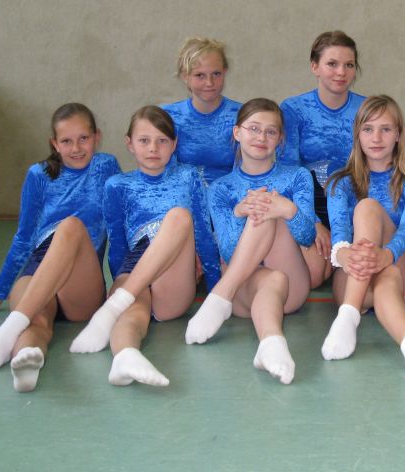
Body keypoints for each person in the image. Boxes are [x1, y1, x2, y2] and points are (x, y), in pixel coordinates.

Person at [69, 106, 221, 387]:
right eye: (144, 140)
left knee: (179, 217)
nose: (153, 148)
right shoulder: (117, 185)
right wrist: (119, 280)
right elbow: (117, 244)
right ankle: (125, 356)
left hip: (173, 277)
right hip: (135, 266)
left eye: (162, 140)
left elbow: (203, 236)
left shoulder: (188, 176)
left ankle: (115, 305)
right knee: (134, 313)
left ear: (174, 144)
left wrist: (215, 295)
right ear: (129, 143)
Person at [0, 104, 120, 391]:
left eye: (83, 138)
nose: (76, 148)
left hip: (80, 281)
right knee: (36, 322)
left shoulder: (106, 167)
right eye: (66, 141)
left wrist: (121, 283)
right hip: (39, 268)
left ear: (97, 137)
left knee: (70, 226)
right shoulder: (39, 174)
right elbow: (24, 237)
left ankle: (7, 331)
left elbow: (118, 226)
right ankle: (26, 360)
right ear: (54, 144)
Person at [185, 99, 314, 385]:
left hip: (293, 287)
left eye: (271, 131)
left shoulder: (297, 176)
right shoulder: (220, 189)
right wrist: (237, 213)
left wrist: (287, 210)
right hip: (243, 290)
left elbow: (308, 237)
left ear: (280, 139)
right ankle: (271, 343)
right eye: (254, 128)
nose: (261, 137)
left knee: (266, 208)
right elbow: (228, 251)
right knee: (272, 274)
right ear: (237, 132)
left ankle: (218, 298)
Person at [322, 96, 405, 372]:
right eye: (368, 129)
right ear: (357, 134)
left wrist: (387, 254)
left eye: (386, 129)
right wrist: (343, 255)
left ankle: (348, 316)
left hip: (398, 269)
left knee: (371, 215)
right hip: (352, 276)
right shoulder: (340, 182)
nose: (376, 138)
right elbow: (339, 231)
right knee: (367, 211)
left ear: (398, 135)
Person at [280, 31, 366, 287]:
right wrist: (313, 223)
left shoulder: (367, 108)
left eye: (349, 65)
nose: (341, 72)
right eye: (332, 64)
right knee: (314, 275)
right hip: (310, 206)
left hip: (354, 206)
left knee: (357, 273)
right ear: (315, 67)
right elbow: (288, 171)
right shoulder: (293, 109)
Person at [162, 36, 241, 185]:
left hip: (231, 195)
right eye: (200, 75)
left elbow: (251, 173)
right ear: (185, 76)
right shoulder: (168, 117)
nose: (209, 83)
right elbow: (161, 172)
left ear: (225, 71)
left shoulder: (243, 116)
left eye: (216, 74)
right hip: (182, 194)